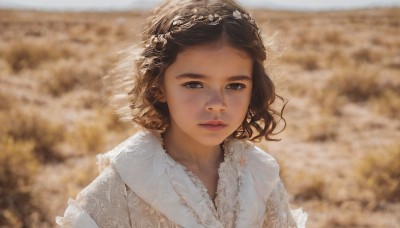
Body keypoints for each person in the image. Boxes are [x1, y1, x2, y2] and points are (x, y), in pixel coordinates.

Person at [56, 0, 307, 227]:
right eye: (194, 84)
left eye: (235, 86)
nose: (217, 104)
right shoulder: (123, 184)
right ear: (158, 86)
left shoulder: (259, 174)